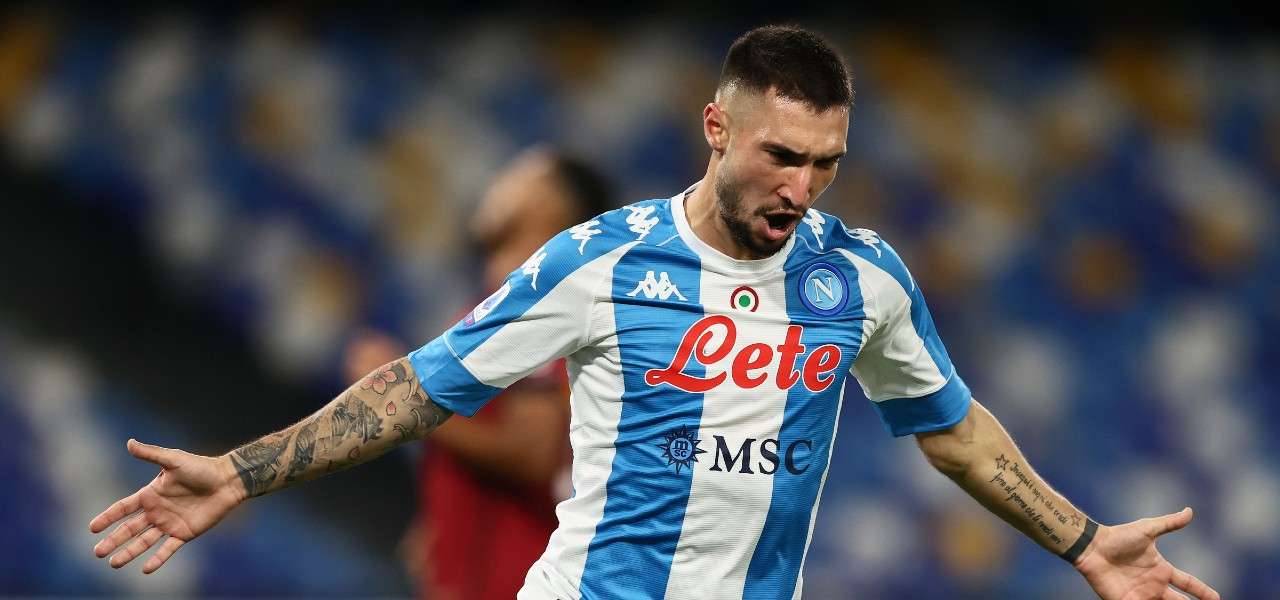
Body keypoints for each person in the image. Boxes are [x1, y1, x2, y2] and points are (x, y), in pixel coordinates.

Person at [90, 25, 1220, 600]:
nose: (803, 187)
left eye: (826, 162)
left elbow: (952, 429)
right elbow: (419, 387)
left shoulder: (861, 279)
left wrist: (1082, 542)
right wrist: (239, 473)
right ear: (716, 129)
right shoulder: (603, 260)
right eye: (781, 155)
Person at [341, 147, 613, 600]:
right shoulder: (504, 300)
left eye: (518, 173)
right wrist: (444, 519)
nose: (496, 185)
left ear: (552, 204)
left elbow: (532, 452)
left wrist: (407, 400)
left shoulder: (540, 302)